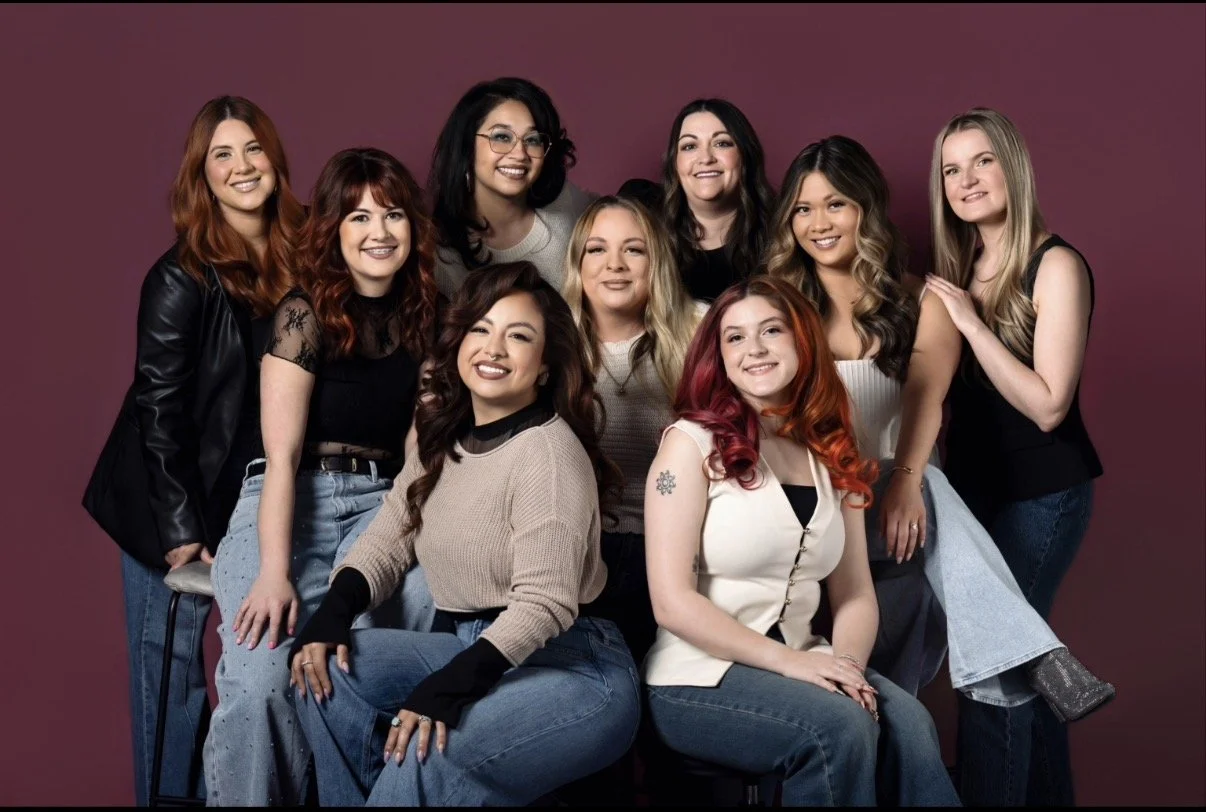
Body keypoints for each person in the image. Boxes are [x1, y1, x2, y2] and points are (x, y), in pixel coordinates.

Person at [765, 133, 1113, 718]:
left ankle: (900, 747)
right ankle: (1033, 652)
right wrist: (893, 480)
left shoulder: (923, 301)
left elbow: (925, 394)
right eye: (803, 208)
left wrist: (902, 481)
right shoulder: (774, 309)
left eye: (836, 204)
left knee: (888, 687)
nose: (818, 223)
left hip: (897, 517)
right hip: (814, 507)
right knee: (925, 484)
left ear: (865, 210)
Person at [288, 261, 641, 807]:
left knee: (427, 751)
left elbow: (544, 604)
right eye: (481, 328)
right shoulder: (443, 441)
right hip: (468, 645)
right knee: (323, 674)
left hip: (572, 668)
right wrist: (332, 613)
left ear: (544, 367)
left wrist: (447, 689)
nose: (493, 348)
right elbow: (389, 536)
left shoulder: (548, 454)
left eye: (518, 336)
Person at [642, 276, 960, 806]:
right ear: (719, 357)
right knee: (839, 728)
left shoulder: (833, 450)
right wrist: (796, 666)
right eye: (735, 337)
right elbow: (672, 603)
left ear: (802, 340)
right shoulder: (688, 445)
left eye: (771, 330)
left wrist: (848, 670)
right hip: (696, 677)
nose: (754, 349)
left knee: (911, 724)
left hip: (808, 662)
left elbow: (854, 593)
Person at [82, 95, 305, 806]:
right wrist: (180, 533)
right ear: (200, 177)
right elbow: (159, 411)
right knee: (170, 676)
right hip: (167, 499)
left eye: (253, 149)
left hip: (254, 495)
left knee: (261, 665)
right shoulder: (181, 276)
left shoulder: (305, 256)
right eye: (222, 155)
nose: (242, 167)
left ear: (275, 158)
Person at [203, 147, 439, 805]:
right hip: (287, 497)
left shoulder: (429, 316)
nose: (379, 232)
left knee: (359, 662)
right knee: (261, 682)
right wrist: (274, 572)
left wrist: (406, 531)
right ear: (334, 229)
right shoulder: (301, 314)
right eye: (359, 217)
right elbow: (280, 459)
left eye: (393, 215)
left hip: (380, 503)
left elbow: (419, 454)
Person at [925, 107, 1112, 806]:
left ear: (1014, 167)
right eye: (952, 169)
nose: (967, 180)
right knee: (1029, 662)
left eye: (983, 161)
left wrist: (970, 324)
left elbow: (1048, 404)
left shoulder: (1054, 264)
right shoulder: (963, 268)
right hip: (974, 493)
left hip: (1044, 492)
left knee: (996, 663)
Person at [562, 194, 702, 664]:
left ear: (655, 262)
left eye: (634, 249)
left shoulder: (699, 334)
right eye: (597, 249)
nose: (615, 264)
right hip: (579, 553)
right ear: (578, 263)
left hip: (678, 551)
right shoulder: (550, 345)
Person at [427, 76, 595, 298]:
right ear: (467, 147)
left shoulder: (568, 205)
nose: (519, 154)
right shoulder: (439, 253)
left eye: (532, 140)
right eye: (502, 137)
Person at [621, 98, 774, 302]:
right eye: (690, 146)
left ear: (745, 156)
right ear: (675, 162)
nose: (706, 158)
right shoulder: (640, 212)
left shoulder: (778, 230)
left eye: (722, 143)